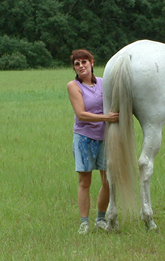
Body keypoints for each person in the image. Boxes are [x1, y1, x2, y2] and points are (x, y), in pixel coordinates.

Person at [67, 49, 119, 234]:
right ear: (74, 67)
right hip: (84, 138)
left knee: (107, 181)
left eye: (84, 62)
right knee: (85, 182)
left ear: (92, 63)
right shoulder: (74, 86)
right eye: (77, 63)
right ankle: (84, 223)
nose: (81, 66)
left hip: (105, 138)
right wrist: (106, 118)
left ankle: (101, 219)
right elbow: (81, 114)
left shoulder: (104, 84)